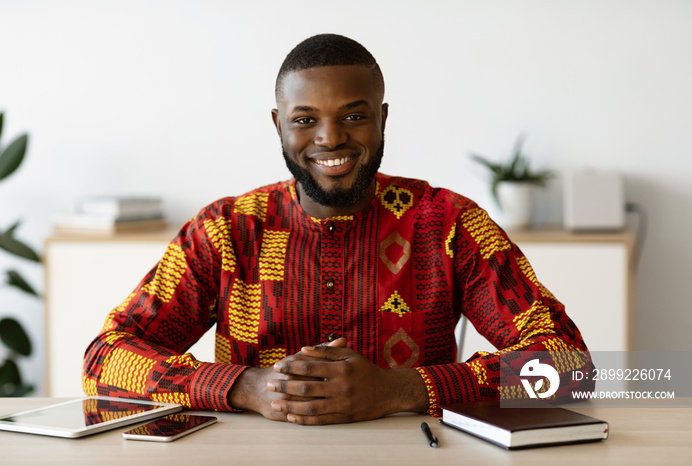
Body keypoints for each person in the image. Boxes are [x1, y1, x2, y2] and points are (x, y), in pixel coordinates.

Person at [83, 34, 593, 425]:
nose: (330, 137)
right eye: (305, 119)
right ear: (278, 125)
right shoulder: (225, 230)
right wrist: (247, 387)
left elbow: (571, 368)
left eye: (353, 115)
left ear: (383, 119)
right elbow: (104, 359)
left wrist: (397, 390)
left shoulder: (449, 224)